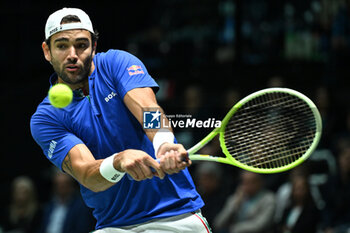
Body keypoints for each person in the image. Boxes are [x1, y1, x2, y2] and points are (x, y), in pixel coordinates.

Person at [30, 7, 209, 232]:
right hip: (113, 226)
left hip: (176, 217)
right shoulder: (46, 118)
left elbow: (149, 110)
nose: (72, 54)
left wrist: (163, 143)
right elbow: (87, 174)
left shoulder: (116, 63)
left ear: (94, 46)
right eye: (62, 45)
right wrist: (119, 161)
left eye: (82, 45)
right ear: (47, 51)